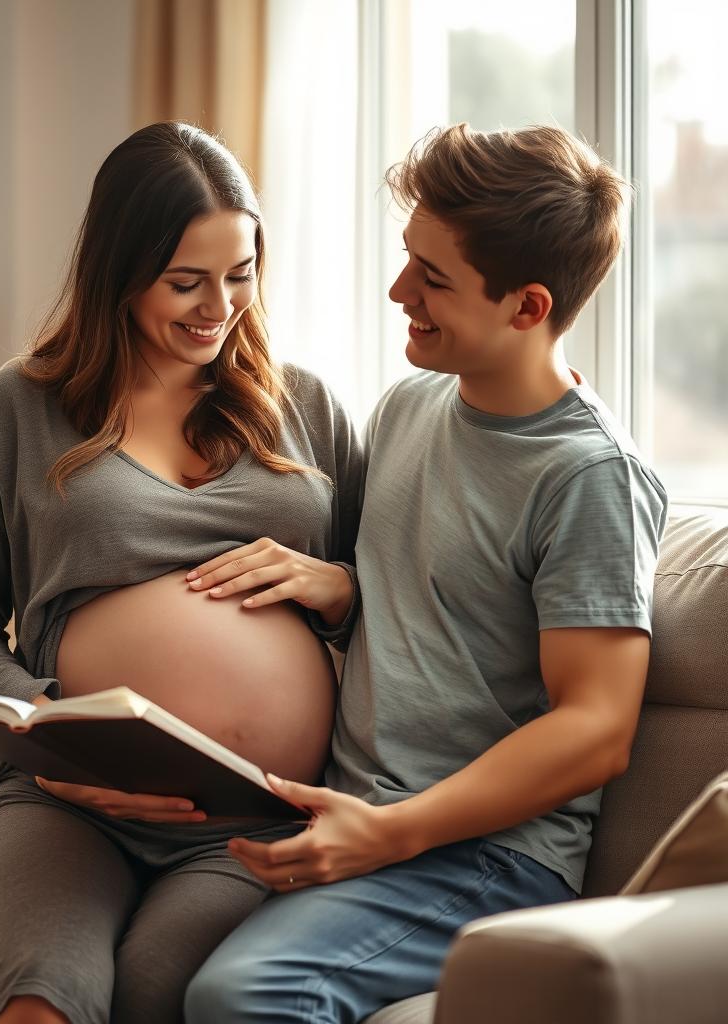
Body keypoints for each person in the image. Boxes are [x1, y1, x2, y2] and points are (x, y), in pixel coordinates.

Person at [184, 123, 669, 1021]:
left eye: (432, 279)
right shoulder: (410, 405)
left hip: (485, 855)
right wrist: (341, 586)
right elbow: (434, 602)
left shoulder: (590, 476)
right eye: (409, 259)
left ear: (527, 308)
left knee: (245, 996)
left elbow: (597, 728)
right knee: (135, 958)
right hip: (350, 804)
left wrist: (390, 834)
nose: (399, 290)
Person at [0, 121, 363, 1024]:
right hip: (64, 798)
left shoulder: (306, 406)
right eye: (185, 282)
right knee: (47, 998)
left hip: (250, 818)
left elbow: (399, 598)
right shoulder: (19, 406)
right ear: (118, 271)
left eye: (241, 274)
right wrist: (51, 728)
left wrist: (342, 588)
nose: (219, 307)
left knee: (161, 994)